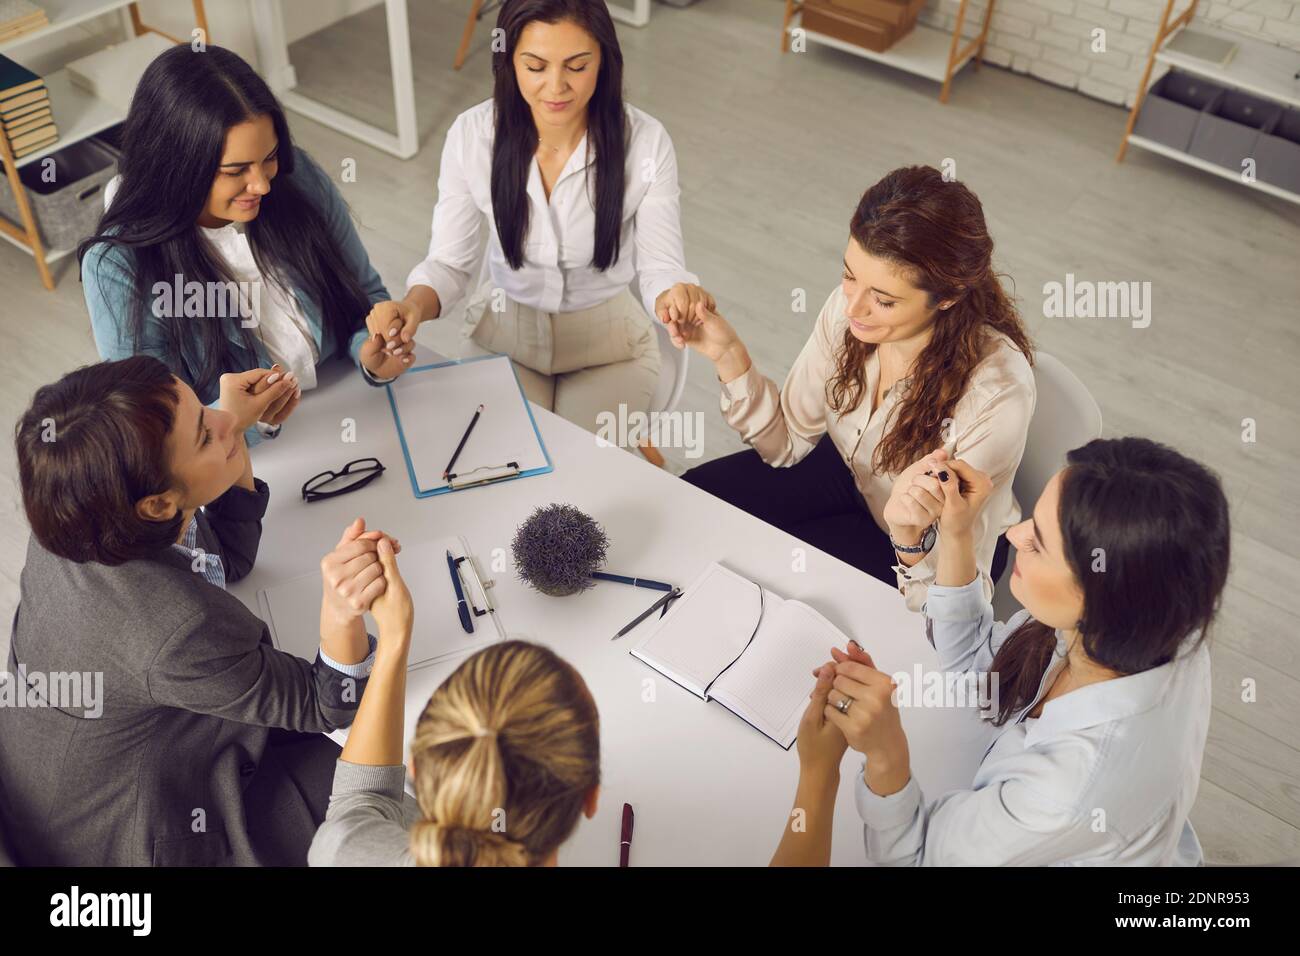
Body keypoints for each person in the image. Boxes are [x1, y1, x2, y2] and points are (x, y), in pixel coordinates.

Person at [0, 356, 403, 866]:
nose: (224, 416)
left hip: (55, 775)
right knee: (377, 789)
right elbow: (328, 706)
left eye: (201, 403)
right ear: (158, 506)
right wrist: (342, 616)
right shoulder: (178, 627)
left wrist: (227, 432)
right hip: (135, 832)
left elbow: (227, 557)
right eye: (204, 433)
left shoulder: (76, 509)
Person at [770, 437, 1230, 866]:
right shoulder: (1160, 617)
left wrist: (886, 755)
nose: (1013, 536)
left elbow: (916, 859)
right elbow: (981, 673)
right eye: (1033, 521)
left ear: (1103, 595)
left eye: (1039, 543)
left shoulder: (1066, 792)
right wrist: (956, 535)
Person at [673, 166, 1035, 610]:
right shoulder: (851, 313)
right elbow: (787, 445)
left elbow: (952, 600)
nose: (853, 307)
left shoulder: (997, 393)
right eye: (849, 276)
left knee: (781, 581)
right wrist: (729, 354)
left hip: (933, 547)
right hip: (853, 474)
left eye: (883, 299)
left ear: (948, 296)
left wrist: (907, 540)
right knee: (694, 499)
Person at [370, 0, 715, 443]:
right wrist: (413, 305)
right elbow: (451, 263)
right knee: (500, 461)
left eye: (577, 66)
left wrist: (677, 293)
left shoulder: (645, 144)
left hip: (609, 349)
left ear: (604, 61)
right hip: (504, 336)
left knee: (582, 479)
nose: (556, 87)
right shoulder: (472, 136)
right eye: (535, 66)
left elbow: (661, 266)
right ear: (508, 60)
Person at [79, 45, 410, 447]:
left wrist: (371, 353)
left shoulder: (295, 179)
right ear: (177, 166)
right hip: (235, 459)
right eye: (235, 171)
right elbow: (155, 430)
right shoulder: (117, 265)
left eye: (268, 158)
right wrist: (234, 420)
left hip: (348, 410)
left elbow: (365, 298)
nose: (263, 185)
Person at [308, 539, 600, 868]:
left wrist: (395, 634)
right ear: (591, 799)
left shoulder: (340, 854)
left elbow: (358, 806)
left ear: (414, 770)